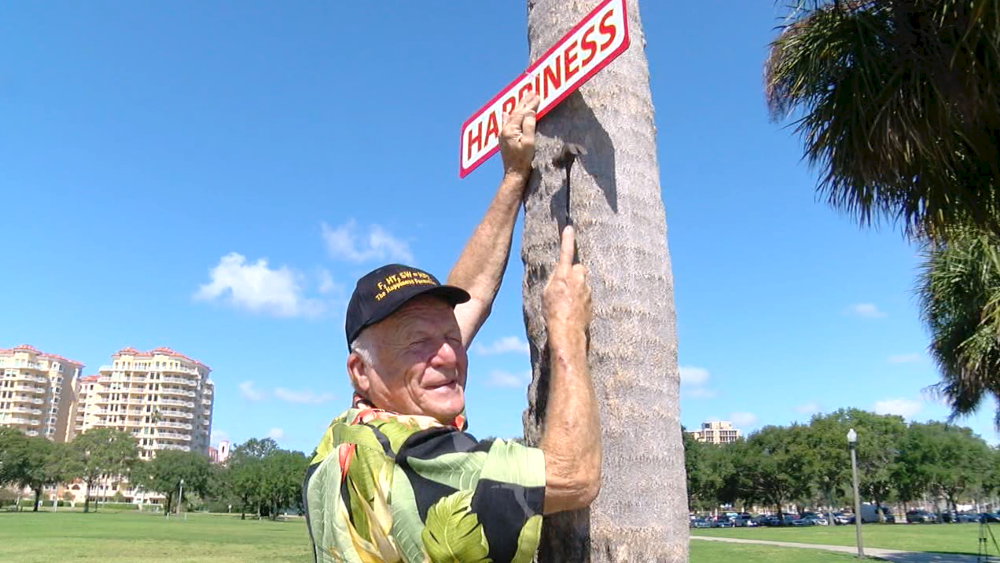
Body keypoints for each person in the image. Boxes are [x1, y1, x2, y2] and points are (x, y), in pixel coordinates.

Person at [303, 93, 601, 563]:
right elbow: (574, 475)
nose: (447, 354)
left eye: (448, 337)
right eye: (418, 344)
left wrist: (513, 179)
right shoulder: (420, 460)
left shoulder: (339, 443)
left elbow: (471, 297)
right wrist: (565, 330)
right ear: (360, 371)